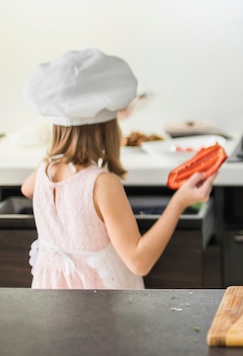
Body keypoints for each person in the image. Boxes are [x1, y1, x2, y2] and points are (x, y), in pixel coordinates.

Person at [20, 48, 217, 289]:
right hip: (100, 312)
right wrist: (178, 203)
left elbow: (27, 189)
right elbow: (139, 262)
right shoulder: (101, 183)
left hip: (53, 306)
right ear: (106, 128)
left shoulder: (44, 168)